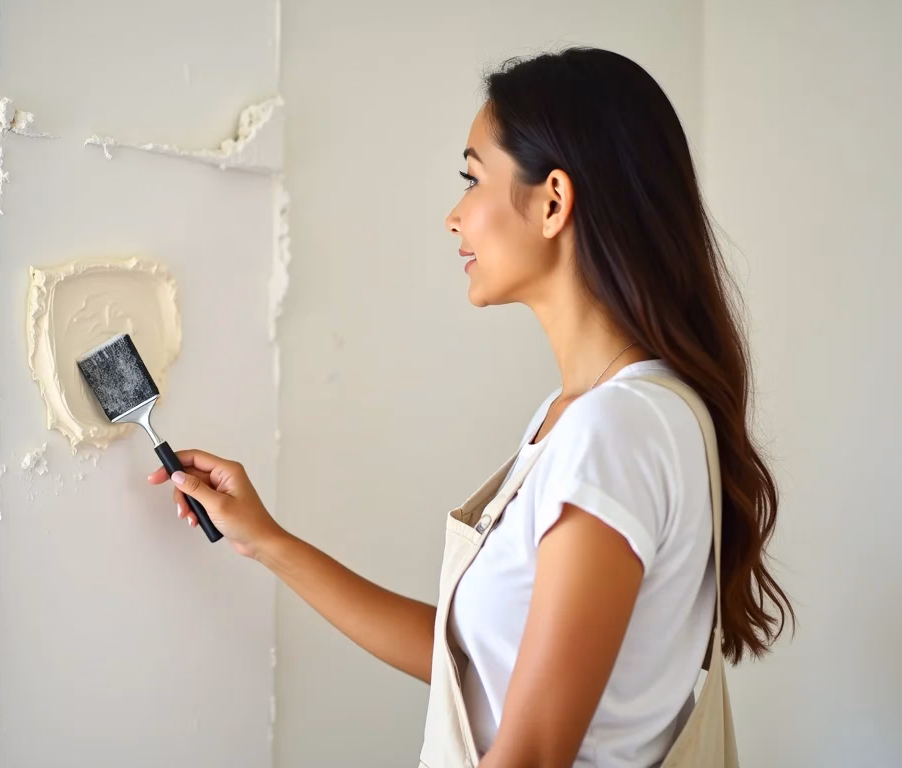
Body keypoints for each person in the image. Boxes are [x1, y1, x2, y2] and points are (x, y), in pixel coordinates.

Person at [148, 47, 792, 768]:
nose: (454, 216)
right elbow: (474, 669)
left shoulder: (616, 430)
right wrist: (265, 539)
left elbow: (533, 753)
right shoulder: (582, 417)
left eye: (472, 177)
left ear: (552, 201)